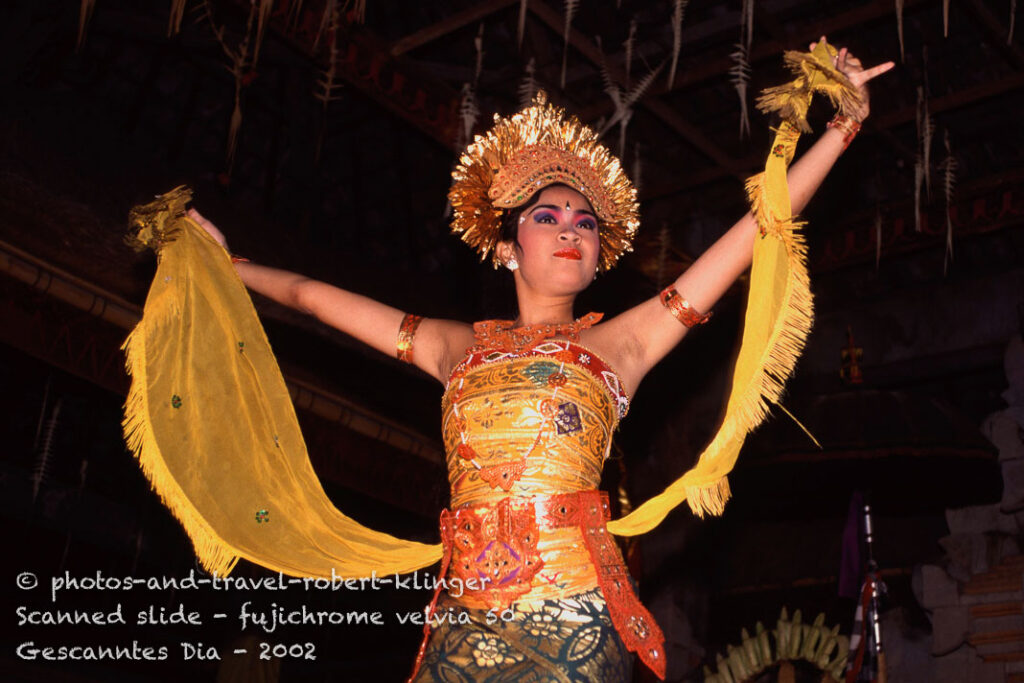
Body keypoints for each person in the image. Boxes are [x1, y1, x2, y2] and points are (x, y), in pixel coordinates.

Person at [139, 39, 893, 682]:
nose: (571, 230)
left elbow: (756, 232)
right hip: (463, 617)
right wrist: (227, 265)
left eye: (585, 223)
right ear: (507, 247)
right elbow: (306, 296)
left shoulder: (620, 344)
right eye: (547, 216)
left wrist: (839, 131)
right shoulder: (451, 345)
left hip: (573, 614)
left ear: (599, 255)